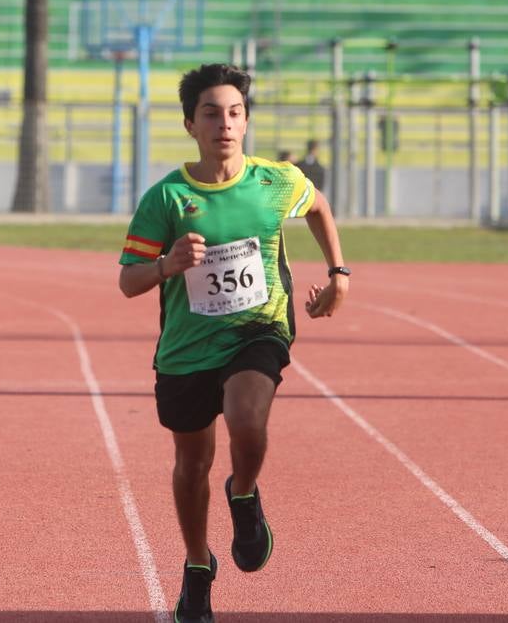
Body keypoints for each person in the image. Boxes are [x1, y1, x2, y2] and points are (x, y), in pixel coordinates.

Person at [118, 63, 350, 623]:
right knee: (191, 462)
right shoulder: (165, 198)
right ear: (190, 125)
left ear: (246, 121)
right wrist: (167, 266)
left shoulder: (276, 181)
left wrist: (338, 272)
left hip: (257, 330)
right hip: (186, 348)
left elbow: (317, 206)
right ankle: (198, 565)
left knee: (248, 420)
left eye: (235, 113)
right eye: (211, 113)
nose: (225, 123)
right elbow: (128, 280)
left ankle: (244, 492)